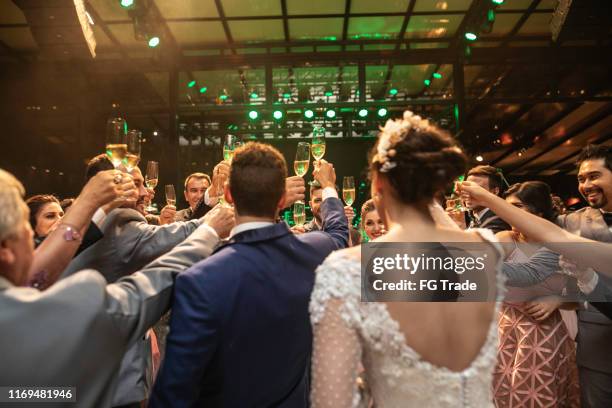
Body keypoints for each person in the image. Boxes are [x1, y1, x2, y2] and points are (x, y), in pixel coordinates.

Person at [309, 111, 504, 407]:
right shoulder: (484, 250)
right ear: (437, 183)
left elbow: (331, 402)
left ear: (377, 185)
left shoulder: (348, 269)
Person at [0, 168, 233, 408]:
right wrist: (208, 231)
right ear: (6, 248)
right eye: (26, 231)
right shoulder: (61, 312)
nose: (38, 240)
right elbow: (149, 287)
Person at [150, 142, 348, 407]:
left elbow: (173, 393)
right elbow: (337, 233)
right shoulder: (313, 253)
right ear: (282, 199)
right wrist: (328, 187)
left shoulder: (199, 280)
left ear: (229, 195)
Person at [460, 144, 612, 407]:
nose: (586, 185)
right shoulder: (571, 222)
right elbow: (544, 242)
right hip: (597, 343)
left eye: (594, 176)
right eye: (581, 178)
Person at [491, 182, 580, 407]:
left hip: (545, 333)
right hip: (506, 330)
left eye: (518, 206)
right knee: (506, 393)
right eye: (506, 207)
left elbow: (580, 294)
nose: (510, 212)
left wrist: (557, 300)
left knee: (542, 395)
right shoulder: (504, 239)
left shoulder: (560, 245)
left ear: (539, 211)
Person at [464, 165, 511, 233]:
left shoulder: (498, 220)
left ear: (495, 191)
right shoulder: (475, 217)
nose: (468, 193)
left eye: (476, 189)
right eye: (466, 187)